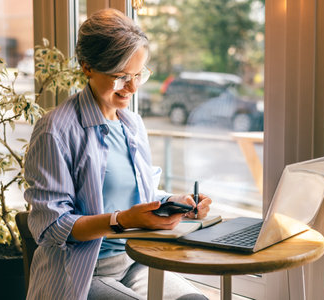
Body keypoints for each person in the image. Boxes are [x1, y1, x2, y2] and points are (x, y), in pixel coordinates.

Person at [24, 8, 211, 300]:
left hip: (135, 261)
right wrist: (121, 220)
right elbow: (50, 227)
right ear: (87, 67)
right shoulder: (55, 131)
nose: (133, 87)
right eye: (121, 76)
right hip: (84, 271)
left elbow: (134, 197)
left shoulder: (131, 124)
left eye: (139, 75)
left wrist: (173, 203)